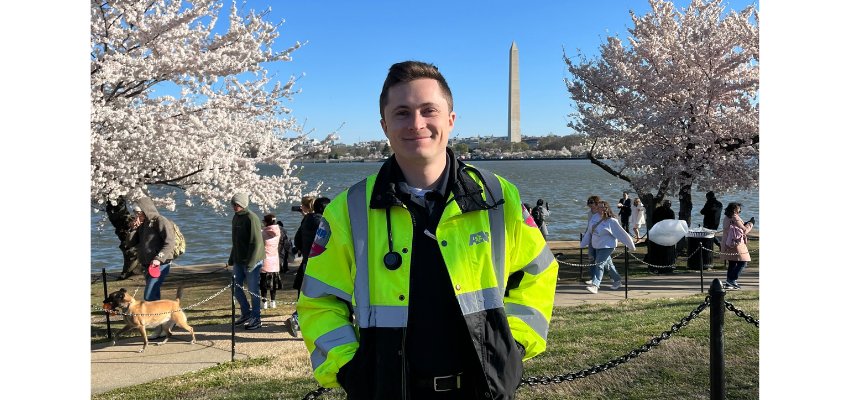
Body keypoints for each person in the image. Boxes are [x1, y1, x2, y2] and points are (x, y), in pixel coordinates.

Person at [295, 61, 558, 399]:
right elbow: (319, 300)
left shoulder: (498, 197)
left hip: (482, 389)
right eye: (402, 113)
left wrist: (514, 346)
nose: (416, 124)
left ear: (450, 119)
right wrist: (350, 369)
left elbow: (537, 274)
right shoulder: (348, 209)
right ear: (384, 125)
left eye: (428, 110)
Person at [125, 196, 177, 339]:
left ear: (146, 210)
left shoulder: (160, 221)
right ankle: (164, 324)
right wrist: (133, 229)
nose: (137, 216)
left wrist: (159, 259)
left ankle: (160, 325)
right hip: (147, 265)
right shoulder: (142, 225)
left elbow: (169, 242)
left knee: (149, 295)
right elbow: (130, 243)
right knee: (154, 296)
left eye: (139, 213)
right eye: (135, 213)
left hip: (160, 264)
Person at [283, 196, 330, 337]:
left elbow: (297, 240)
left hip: (306, 263)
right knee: (321, 295)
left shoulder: (306, 220)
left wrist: (305, 249)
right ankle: (298, 318)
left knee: (306, 294)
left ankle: (301, 319)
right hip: (321, 264)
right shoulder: (324, 222)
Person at [580, 200, 636, 294]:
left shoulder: (611, 221)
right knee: (608, 265)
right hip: (597, 246)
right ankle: (617, 281)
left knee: (599, 263)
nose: (601, 209)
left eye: (603, 207)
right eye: (599, 207)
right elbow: (589, 233)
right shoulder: (594, 218)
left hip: (608, 246)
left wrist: (631, 245)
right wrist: (582, 244)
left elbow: (622, 234)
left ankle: (595, 285)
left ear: (607, 208)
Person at [227, 192, 264, 330]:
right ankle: (246, 313)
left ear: (243, 204)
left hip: (253, 261)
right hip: (238, 260)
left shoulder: (251, 218)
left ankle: (256, 317)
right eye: (233, 204)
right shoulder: (235, 218)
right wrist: (232, 258)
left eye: (237, 204)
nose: (235, 207)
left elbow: (256, 243)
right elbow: (235, 241)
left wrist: (251, 263)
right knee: (235, 288)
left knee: (253, 290)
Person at [720, 202, 754, 290]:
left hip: (727, 243)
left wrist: (744, 223)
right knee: (743, 262)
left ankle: (729, 282)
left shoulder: (726, 217)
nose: (740, 211)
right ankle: (732, 279)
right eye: (739, 209)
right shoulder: (735, 217)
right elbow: (744, 230)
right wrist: (750, 224)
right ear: (735, 209)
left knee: (732, 263)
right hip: (736, 244)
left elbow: (736, 227)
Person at [644, 199, 677, 273]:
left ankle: (656, 265)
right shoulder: (670, 212)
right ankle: (666, 264)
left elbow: (653, 220)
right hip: (666, 233)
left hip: (658, 232)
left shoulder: (657, 210)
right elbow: (671, 223)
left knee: (657, 249)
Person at [260, 214, 282, 309]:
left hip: (265, 260)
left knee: (264, 284)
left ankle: (264, 302)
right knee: (274, 283)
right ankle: (273, 302)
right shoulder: (278, 231)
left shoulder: (263, 233)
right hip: (275, 260)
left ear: (266, 222)